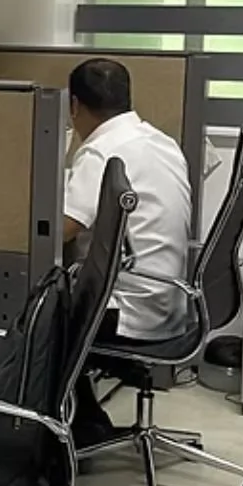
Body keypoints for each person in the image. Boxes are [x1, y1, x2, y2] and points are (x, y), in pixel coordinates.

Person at [60, 58, 195, 449]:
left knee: (41, 314)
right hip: (171, 301)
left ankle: (73, 428)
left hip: (131, 311)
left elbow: (61, 230)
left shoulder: (102, 152)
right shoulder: (160, 142)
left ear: (74, 105)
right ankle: (86, 422)